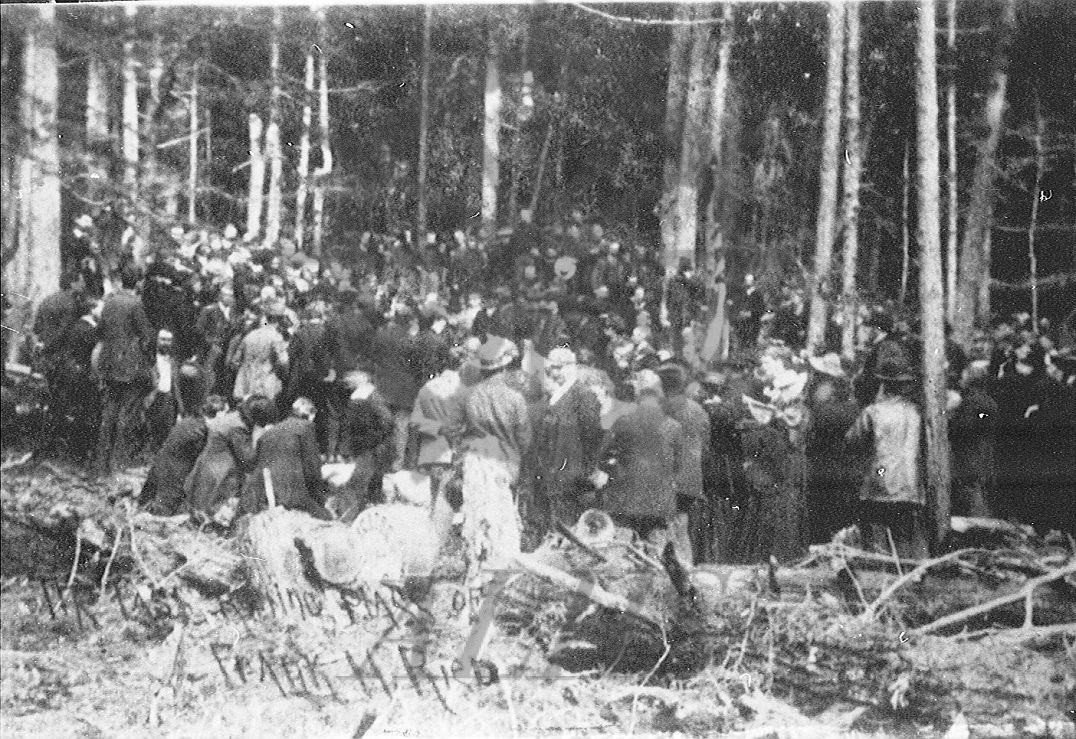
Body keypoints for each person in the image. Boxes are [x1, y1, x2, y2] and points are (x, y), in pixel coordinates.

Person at [459, 336, 532, 573]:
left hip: (476, 461)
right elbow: (524, 439)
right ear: (504, 366)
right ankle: (501, 564)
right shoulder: (515, 398)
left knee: (477, 513)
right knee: (502, 518)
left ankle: (477, 561)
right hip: (505, 463)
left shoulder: (470, 395)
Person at [844, 356, 928, 558]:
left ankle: (878, 572)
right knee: (905, 535)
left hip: (880, 480)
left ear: (883, 384)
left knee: (876, 533)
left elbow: (852, 440)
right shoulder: (917, 412)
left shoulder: (874, 412)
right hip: (910, 482)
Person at [592, 369, 683, 552]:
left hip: (625, 500)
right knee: (656, 553)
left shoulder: (623, 421)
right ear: (659, 395)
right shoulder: (674, 426)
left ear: (637, 393)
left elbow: (601, 456)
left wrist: (615, 469)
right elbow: (678, 465)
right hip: (659, 502)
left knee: (624, 551)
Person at [530, 347, 604, 532]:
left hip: (572, 476)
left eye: (556, 368)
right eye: (551, 369)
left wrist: (588, 470)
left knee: (568, 528)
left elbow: (592, 438)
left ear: (570, 368)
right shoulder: (555, 396)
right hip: (552, 473)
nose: (552, 373)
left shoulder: (584, 397)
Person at [94, 265, 154, 476]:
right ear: (138, 283)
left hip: (108, 365)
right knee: (125, 417)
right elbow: (147, 336)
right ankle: (116, 466)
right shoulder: (135, 304)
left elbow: (100, 330)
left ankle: (100, 468)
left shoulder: (110, 301)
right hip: (128, 367)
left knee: (108, 415)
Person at [240, 397, 331, 520]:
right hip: (294, 495)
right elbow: (312, 468)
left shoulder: (268, 434)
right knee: (327, 519)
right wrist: (320, 499)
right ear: (310, 414)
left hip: (267, 495)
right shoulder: (306, 427)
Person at [657, 362, 711, 566]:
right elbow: (706, 446)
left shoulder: (664, 408)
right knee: (681, 526)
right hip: (692, 479)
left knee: (665, 530)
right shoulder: (697, 409)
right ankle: (687, 568)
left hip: (670, 477)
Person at [139, 396, 225, 516]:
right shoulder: (202, 430)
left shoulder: (190, 420)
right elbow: (204, 458)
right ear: (218, 414)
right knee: (163, 514)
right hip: (172, 476)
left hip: (159, 468)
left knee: (144, 506)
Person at [185, 395, 269, 518]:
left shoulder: (234, 416)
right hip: (218, 473)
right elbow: (248, 461)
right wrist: (258, 435)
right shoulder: (238, 428)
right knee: (206, 510)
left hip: (210, 466)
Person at [338, 371, 397, 521]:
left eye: (349, 383)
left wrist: (369, 441)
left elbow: (387, 421)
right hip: (376, 448)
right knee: (373, 486)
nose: (347, 386)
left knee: (356, 485)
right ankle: (374, 519)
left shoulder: (365, 397)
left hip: (371, 450)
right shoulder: (369, 396)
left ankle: (347, 519)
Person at [231, 311, 289, 408]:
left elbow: (235, 361)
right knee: (264, 412)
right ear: (278, 323)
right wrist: (283, 376)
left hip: (246, 381)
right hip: (266, 381)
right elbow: (283, 362)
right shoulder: (276, 338)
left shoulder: (249, 336)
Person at [142, 329, 185, 452]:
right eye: (163, 339)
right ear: (156, 340)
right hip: (152, 398)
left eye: (169, 340)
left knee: (166, 432)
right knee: (149, 430)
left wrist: (179, 405)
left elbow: (175, 383)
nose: (166, 343)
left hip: (168, 398)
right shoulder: (149, 359)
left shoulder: (173, 360)